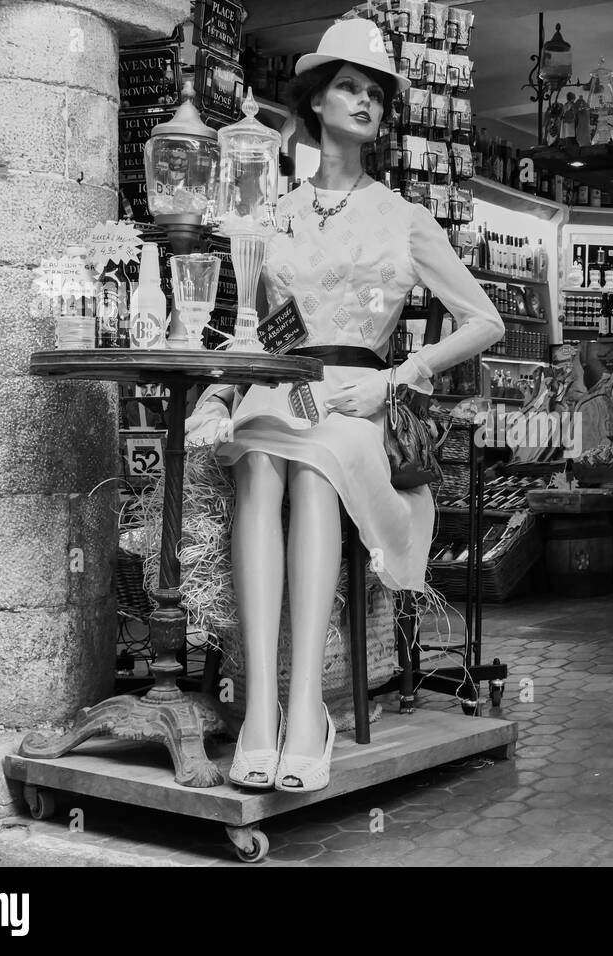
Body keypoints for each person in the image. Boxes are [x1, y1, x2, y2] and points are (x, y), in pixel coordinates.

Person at [185, 18, 502, 793]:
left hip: (360, 403)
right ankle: (262, 711)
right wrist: (220, 395)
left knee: (316, 461)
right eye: (351, 87)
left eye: (378, 95)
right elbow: (257, 327)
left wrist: (398, 378)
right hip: (282, 385)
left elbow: (484, 320)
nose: (367, 102)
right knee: (259, 457)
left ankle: (305, 711)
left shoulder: (403, 217)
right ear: (316, 100)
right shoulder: (274, 213)